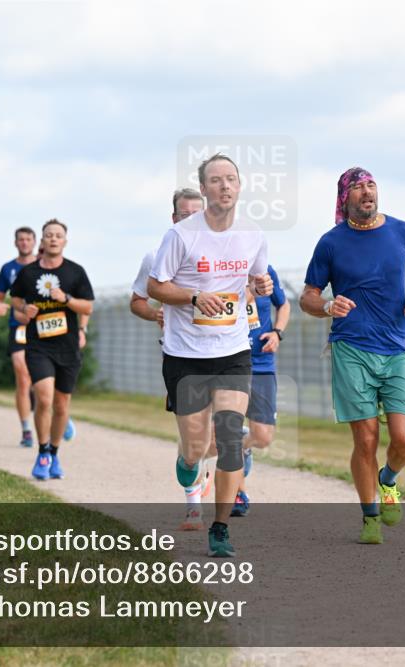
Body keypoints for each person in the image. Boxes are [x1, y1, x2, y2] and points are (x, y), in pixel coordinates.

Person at [147, 153, 273, 557]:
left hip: (233, 350)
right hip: (185, 355)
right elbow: (155, 287)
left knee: (232, 438)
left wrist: (262, 285)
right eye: (215, 180)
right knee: (196, 446)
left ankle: (219, 528)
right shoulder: (182, 235)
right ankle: (188, 470)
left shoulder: (253, 235)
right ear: (203, 189)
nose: (224, 186)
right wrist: (196, 297)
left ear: (240, 186)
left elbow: (254, 284)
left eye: (231, 179)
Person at [300, 166, 405, 545]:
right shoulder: (331, 242)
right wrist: (326, 306)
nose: (366, 192)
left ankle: (388, 479)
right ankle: (370, 514)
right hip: (351, 347)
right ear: (345, 198)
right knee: (366, 439)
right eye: (357, 188)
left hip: (395, 348)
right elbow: (308, 295)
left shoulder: (402, 232)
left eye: (371, 185)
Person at [131, 187, 215, 530]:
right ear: (174, 219)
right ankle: (193, 494)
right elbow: (137, 300)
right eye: (185, 216)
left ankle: (203, 489)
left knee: (216, 432)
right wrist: (155, 315)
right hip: (180, 354)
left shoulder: (223, 256)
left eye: (198, 215)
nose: (192, 222)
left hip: (223, 351)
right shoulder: (156, 257)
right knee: (197, 439)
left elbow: (245, 294)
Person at [10, 219, 94, 480]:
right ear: (42, 241)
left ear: (65, 241)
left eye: (58, 235)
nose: (54, 239)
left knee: (61, 404)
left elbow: (88, 307)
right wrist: (25, 309)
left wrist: (66, 299)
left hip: (67, 347)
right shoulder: (28, 273)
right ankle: (43, 451)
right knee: (44, 398)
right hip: (38, 346)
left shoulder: (76, 272)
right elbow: (14, 301)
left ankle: (55, 454)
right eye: (49, 235)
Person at [231, 264, 290, 517]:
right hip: (229, 360)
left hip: (262, 364)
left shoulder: (265, 270)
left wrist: (277, 332)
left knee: (264, 437)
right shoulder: (220, 268)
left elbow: (283, 305)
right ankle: (237, 493)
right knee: (228, 429)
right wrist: (248, 290)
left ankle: (244, 447)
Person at [0, 227, 41, 447]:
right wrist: (0, 307)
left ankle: (56, 413)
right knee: (23, 377)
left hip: (43, 328)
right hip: (18, 328)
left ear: (34, 242)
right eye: (20, 240)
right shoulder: (8, 269)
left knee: (41, 379)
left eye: (28, 239)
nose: (24, 243)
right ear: (15, 243)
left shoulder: (43, 265)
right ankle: (26, 430)